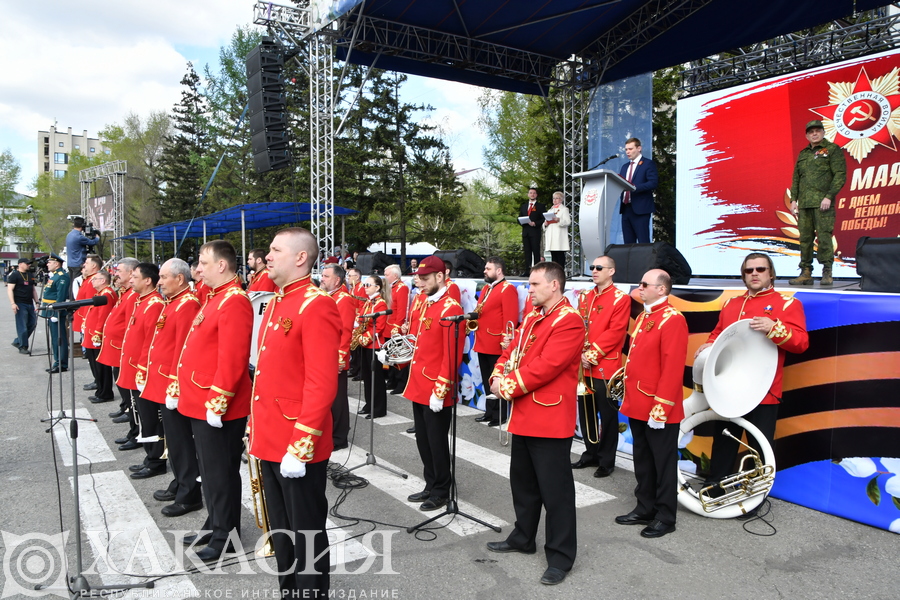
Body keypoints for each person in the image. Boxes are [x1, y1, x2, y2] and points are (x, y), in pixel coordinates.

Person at [249, 228, 340, 597]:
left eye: (275, 250)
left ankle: (311, 593)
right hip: (270, 436)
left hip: (294, 442)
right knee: (282, 532)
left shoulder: (316, 304)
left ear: (301, 258)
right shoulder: (276, 302)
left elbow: (321, 384)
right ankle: (290, 591)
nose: (267, 257)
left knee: (305, 533)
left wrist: (300, 445)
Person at [486, 261, 583, 586]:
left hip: (550, 418)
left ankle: (560, 556)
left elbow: (546, 366)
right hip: (526, 414)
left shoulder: (569, 321)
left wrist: (507, 386)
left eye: (534, 284)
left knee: (556, 494)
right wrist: (499, 372)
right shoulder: (532, 317)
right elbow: (511, 350)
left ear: (554, 285)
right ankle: (524, 537)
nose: (529, 290)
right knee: (524, 485)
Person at [696, 253, 808, 514]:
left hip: (763, 389)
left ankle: (753, 499)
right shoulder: (731, 304)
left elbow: (801, 343)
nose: (754, 274)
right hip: (728, 387)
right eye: (749, 270)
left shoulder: (787, 304)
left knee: (759, 445)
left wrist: (774, 327)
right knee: (724, 440)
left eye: (760, 269)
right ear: (743, 274)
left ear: (771, 274)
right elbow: (719, 335)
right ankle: (715, 488)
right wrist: (709, 345)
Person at [176, 240, 252, 562]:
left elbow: (233, 361)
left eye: (204, 263)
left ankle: (226, 536)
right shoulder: (215, 297)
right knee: (209, 472)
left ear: (221, 265)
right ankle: (214, 523)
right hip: (200, 398)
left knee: (220, 473)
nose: (198, 270)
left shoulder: (234, 301)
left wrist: (217, 403)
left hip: (217, 405)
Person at [615, 269, 688, 539]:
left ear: (662, 289)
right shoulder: (646, 315)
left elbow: (672, 369)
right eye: (640, 283)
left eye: (645, 284)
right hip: (637, 402)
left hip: (658, 407)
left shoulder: (673, 319)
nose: (640, 288)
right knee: (643, 460)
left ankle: (665, 516)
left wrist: (662, 407)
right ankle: (644, 507)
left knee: (663, 463)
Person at [402, 256, 464, 511]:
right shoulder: (427, 303)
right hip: (419, 383)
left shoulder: (451, 308)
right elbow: (420, 343)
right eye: (420, 278)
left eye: (426, 279)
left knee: (437, 442)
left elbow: (452, 354)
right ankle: (430, 483)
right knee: (424, 440)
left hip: (436, 387)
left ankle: (441, 489)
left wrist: (441, 390)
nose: (421, 283)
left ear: (441, 277)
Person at [143, 258, 203, 515]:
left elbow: (183, 350)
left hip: (174, 386)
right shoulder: (174, 302)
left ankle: (189, 493)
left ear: (179, 279)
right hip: (163, 381)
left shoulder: (187, 304)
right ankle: (179, 482)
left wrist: (175, 387)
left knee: (181, 441)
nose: (159, 282)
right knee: (174, 440)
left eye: (164, 277)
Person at [573, 255, 630, 477]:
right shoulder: (586, 296)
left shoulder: (620, 298)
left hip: (605, 365)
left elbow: (616, 332)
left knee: (607, 416)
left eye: (599, 267)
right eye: (592, 267)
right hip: (583, 366)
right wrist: (580, 353)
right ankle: (590, 454)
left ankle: (607, 460)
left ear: (611, 271)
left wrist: (592, 354)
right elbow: (579, 325)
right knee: (586, 412)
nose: (594, 271)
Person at [117, 263, 166, 479]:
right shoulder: (142, 301)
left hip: (145, 372)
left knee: (151, 419)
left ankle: (156, 461)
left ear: (148, 280)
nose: (130, 280)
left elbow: (152, 342)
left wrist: (143, 370)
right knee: (143, 417)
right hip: (136, 369)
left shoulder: (154, 304)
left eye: (135, 277)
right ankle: (150, 457)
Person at [788, 120, 847, 286]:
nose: (814, 134)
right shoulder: (803, 154)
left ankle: (827, 271)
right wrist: (794, 200)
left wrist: (829, 196)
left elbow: (840, 175)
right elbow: (796, 179)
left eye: (817, 131)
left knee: (824, 237)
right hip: (805, 204)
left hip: (823, 203)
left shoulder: (833, 150)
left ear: (823, 132)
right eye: (811, 131)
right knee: (805, 239)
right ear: (807, 135)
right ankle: (805, 272)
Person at [98, 258, 141, 447]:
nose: (116, 274)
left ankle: (136, 432)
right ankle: (133, 430)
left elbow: (133, 328)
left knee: (132, 398)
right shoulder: (126, 293)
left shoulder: (133, 295)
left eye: (120, 271)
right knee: (127, 396)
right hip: (119, 351)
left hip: (125, 353)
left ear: (132, 273)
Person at [472, 256, 520, 427]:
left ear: (499, 271)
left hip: (496, 343)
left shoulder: (507, 289)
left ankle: (500, 414)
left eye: (488, 268)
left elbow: (510, 319)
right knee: (487, 380)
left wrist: (505, 343)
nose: (485, 271)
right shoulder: (486, 288)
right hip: (482, 340)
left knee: (497, 379)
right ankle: (489, 411)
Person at [320, 263, 354, 451]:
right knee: (327, 397)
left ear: (337, 280)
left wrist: (340, 359)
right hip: (325, 355)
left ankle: (339, 437)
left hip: (335, 358)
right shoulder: (329, 296)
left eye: (326, 276)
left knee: (338, 400)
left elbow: (346, 331)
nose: (322, 279)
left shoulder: (344, 299)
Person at [356, 275, 389, 419]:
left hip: (374, 345)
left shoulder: (380, 304)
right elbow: (362, 318)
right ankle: (369, 403)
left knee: (376, 379)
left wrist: (364, 337)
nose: (365, 288)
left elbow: (379, 327)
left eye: (368, 285)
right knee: (367, 377)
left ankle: (379, 408)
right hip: (365, 344)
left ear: (377, 287)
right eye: (364, 285)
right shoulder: (368, 302)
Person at [83, 270, 118, 405]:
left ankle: (105, 392)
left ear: (103, 280)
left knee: (101, 367)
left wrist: (98, 334)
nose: (92, 281)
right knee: (95, 365)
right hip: (91, 335)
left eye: (96, 279)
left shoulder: (107, 294)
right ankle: (100, 390)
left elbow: (103, 316)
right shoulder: (100, 294)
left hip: (97, 337)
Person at [618, 138, 659, 244]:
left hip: (641, 209)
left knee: (643, 242)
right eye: (626, 149)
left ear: (639, 148)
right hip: (626, 209)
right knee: (628, 243)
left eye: (630, 149)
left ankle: (645, 261)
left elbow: (653, 183)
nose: (627, 152)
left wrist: (634, 187)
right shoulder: (624, 167)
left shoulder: (647, 164)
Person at [41, 254, 71, 373]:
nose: (47, 264)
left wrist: (56, 313)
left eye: (50, 262)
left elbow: (61, 297)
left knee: (59, 338)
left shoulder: (62, 276)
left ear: (56, 264)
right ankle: (57, 361)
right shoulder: (54, 276)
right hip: (50, 310)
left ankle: (61, 363)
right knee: (54, 338)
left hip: (55, 311)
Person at [384, 264, 409, 394]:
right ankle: (391, 380)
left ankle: (400, 383)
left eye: (387, 274)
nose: (385, 277)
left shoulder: (401, 288)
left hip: (394, 327)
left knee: (398, 357)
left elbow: (401, 310)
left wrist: (397, 327)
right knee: (390, 357)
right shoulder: (391, 287)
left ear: (395, 275)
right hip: (387, 326)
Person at [8, 258, 38, 354]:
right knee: (23, 326)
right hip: (20, 303)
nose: (29, 265)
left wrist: (37, 301)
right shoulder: (14, 275)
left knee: (32, 324)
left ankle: (18, 341)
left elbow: (33, 289)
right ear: (20, 264)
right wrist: (13, 303)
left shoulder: (30, 275)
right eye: (27, 263)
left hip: (30, 303)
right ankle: (23, 346)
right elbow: (10, 290)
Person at [65, 217, 99, 295]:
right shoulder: (79, 237)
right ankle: (76, 303)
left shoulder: (69, 235)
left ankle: (71, 302)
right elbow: (92, 242)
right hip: (78, 264)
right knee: (77, 285)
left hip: (70, 263)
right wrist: (97, 238)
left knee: (72, 285)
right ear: (82, 225)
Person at [519, 187, 546, 273]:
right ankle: (527, 270)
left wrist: (536, 223)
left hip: (535, 232)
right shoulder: (523, 206)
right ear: (528, 194)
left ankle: (537, 271)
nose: (532, 194)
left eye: (534, 193)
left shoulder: (541, 206)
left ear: (536, 195)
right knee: (527, 252)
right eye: (530, 193)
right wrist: (522, 222)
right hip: (526, 232)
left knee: (536, 251)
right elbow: (519, 218)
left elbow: (543, 219)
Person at [543, 191, 571, 268]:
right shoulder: (550, 210)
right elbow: (545, 222)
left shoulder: (564, 209)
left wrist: (559, 220)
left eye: (557, 198)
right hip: (551, 234)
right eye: (554, 198)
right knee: (553, 256)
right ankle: (554, 271)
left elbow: (568, 222)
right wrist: (545, 224)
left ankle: (561, 271)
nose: (555, 200)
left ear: (561, 199)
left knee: (560, 255)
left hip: (559, 236)